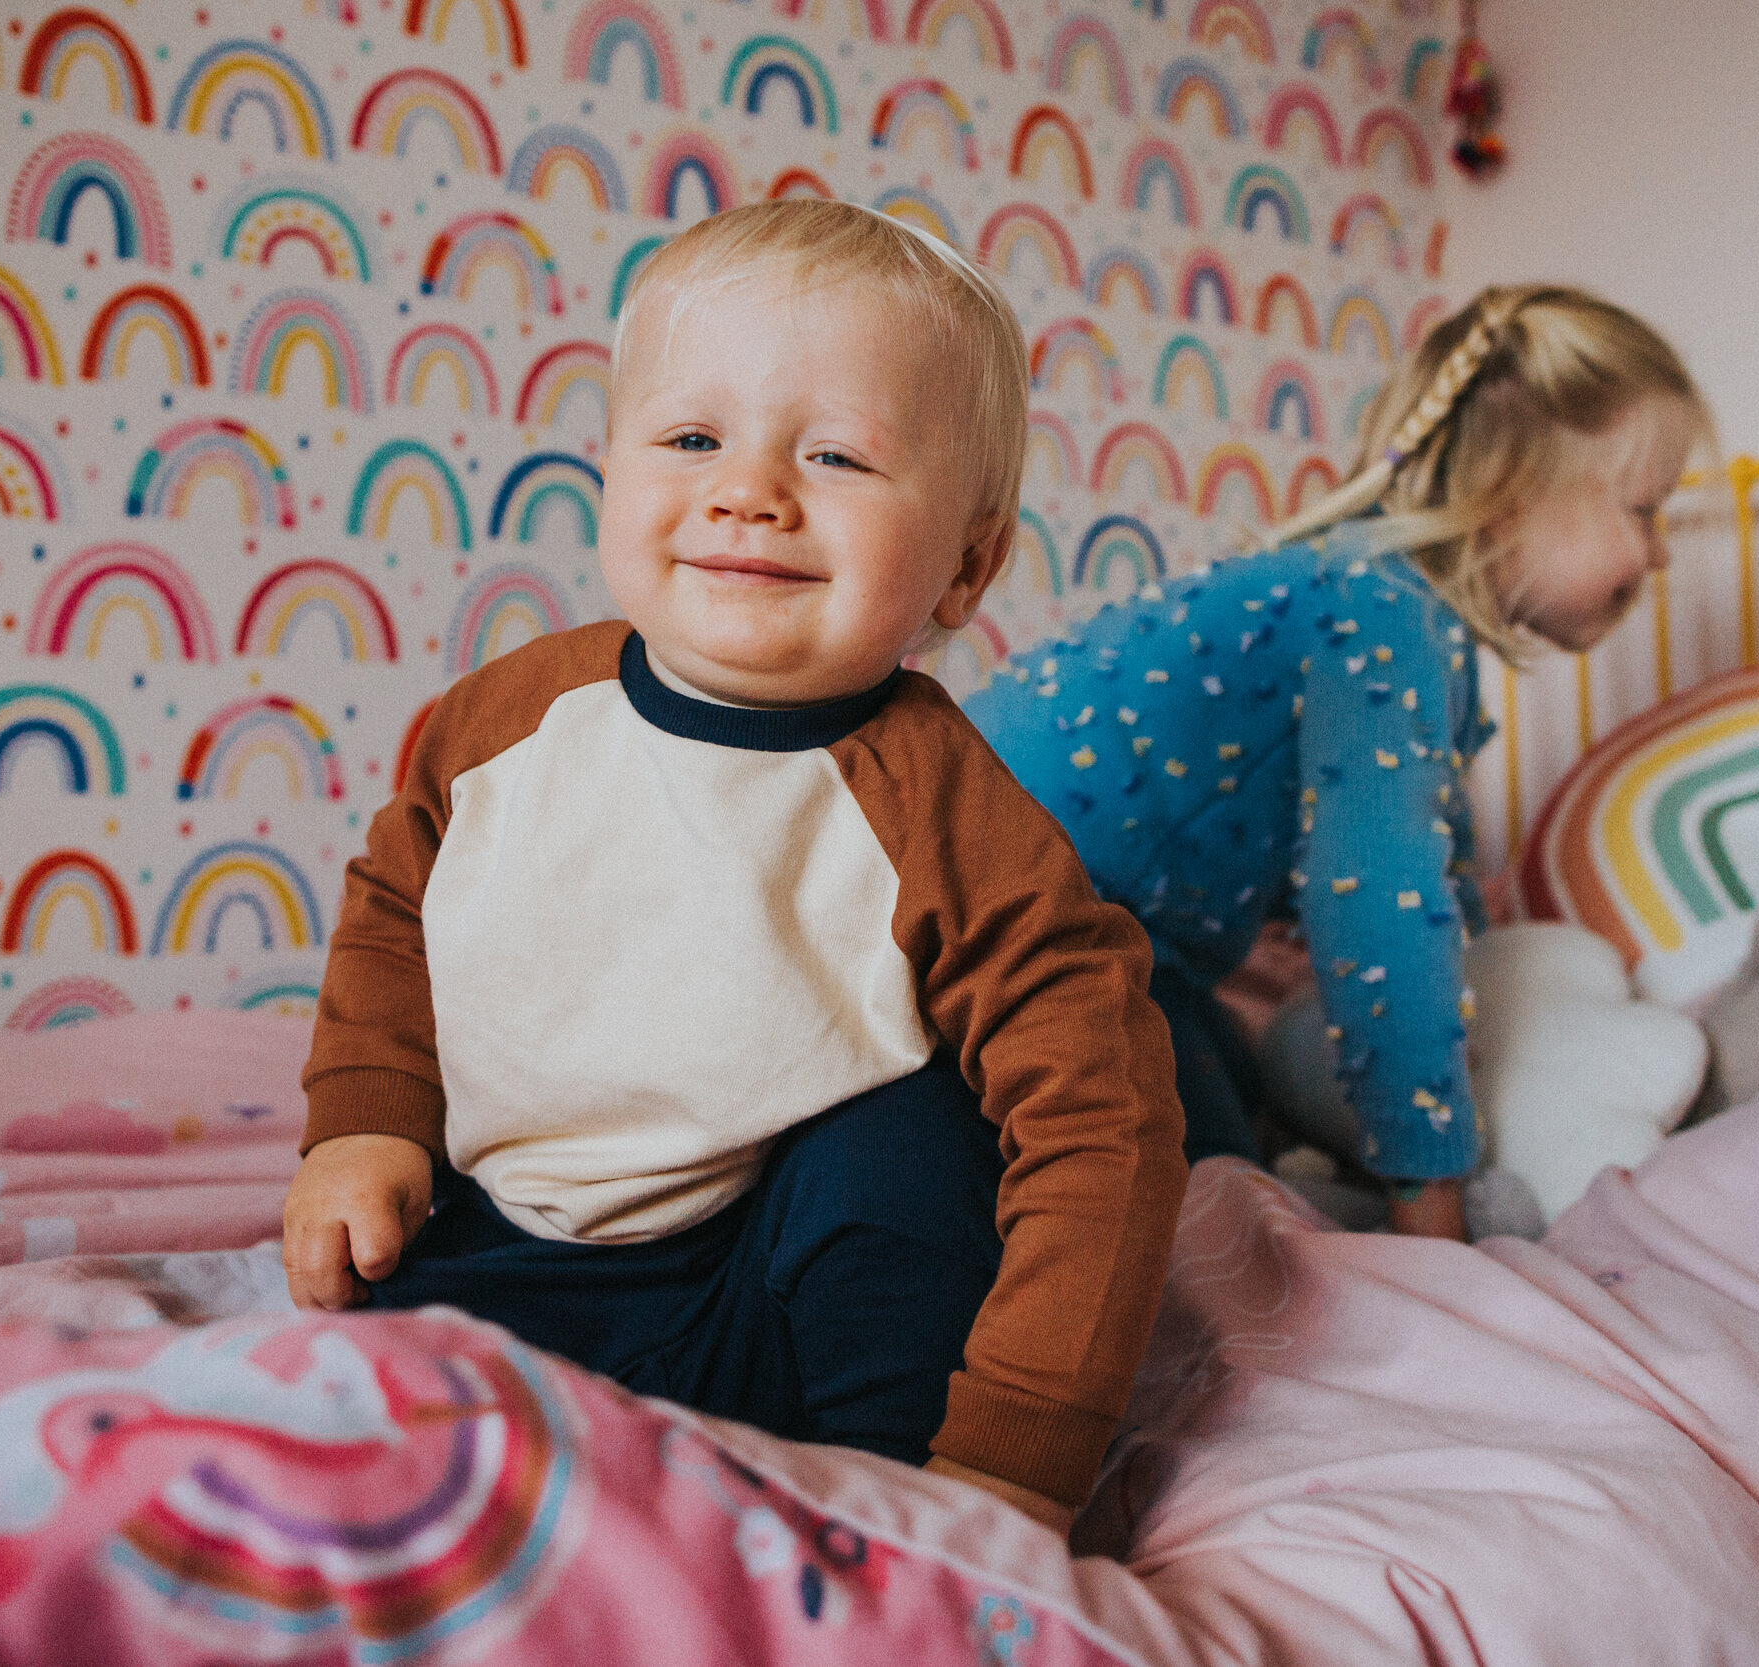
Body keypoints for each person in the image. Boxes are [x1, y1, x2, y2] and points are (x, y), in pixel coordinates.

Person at [283, 200, 1188, 1533]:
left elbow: (1100, 1114)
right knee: (371, 1391)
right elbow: (395, 908)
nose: (749, 489)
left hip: (774, 1296)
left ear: (968, 563)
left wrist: (1018, 1445)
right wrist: (365, 1115)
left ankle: (878, 1501)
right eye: (693, 437)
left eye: (836, 455)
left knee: (911, 1135)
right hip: (499, 1258)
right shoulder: (507, 719)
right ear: (611, 468)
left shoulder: (943, 809)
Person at [966, 284, 1710, 1241]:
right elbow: (1382, 907)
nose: (1659, 557)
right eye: (1644, 512)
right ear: (1509, 501)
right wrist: (1429, 1193)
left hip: (1087, 922)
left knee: (1234, 1118)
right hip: (1000, 900)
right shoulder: (1382, 616)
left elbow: (1437, 884)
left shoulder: (1389, 615)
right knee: (1214, 1196)